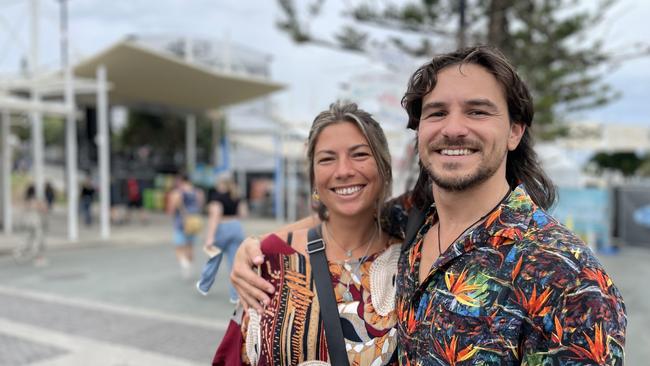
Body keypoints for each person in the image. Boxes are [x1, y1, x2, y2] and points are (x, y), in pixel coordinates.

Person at [231, 46, 627, 364]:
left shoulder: (566, 277)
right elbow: (343, 214)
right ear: (419, 133)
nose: (454, 128)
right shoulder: (414, 219)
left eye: (477, 111)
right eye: (437, 113)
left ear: (514, 132)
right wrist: (256, 246)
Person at [213, 102, 401, 365]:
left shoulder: (411, 262)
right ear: (313, 177)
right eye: (326, 159)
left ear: (384, 168)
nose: (344, 170)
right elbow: (236, 355)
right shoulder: (270, 258)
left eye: (359, 155)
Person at [196, 172, 248, 303]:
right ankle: (236, 296)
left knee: (213, 259)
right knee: (234, 263)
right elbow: (243, 213)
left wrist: (210, 237)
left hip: (222, 228)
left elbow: (215, 217)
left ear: (220, 183)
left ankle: (204, 286)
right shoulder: (237, 195)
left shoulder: (217, 197)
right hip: (236, 227)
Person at [167, 173, 204, 279]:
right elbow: (200, 205)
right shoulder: (198, 192)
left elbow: (172, 209)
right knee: (190, 246)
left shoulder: (178, 192)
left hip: (181, 221)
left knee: (178, 247)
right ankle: (190, 267)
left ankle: (184, 264)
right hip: (194, 221)